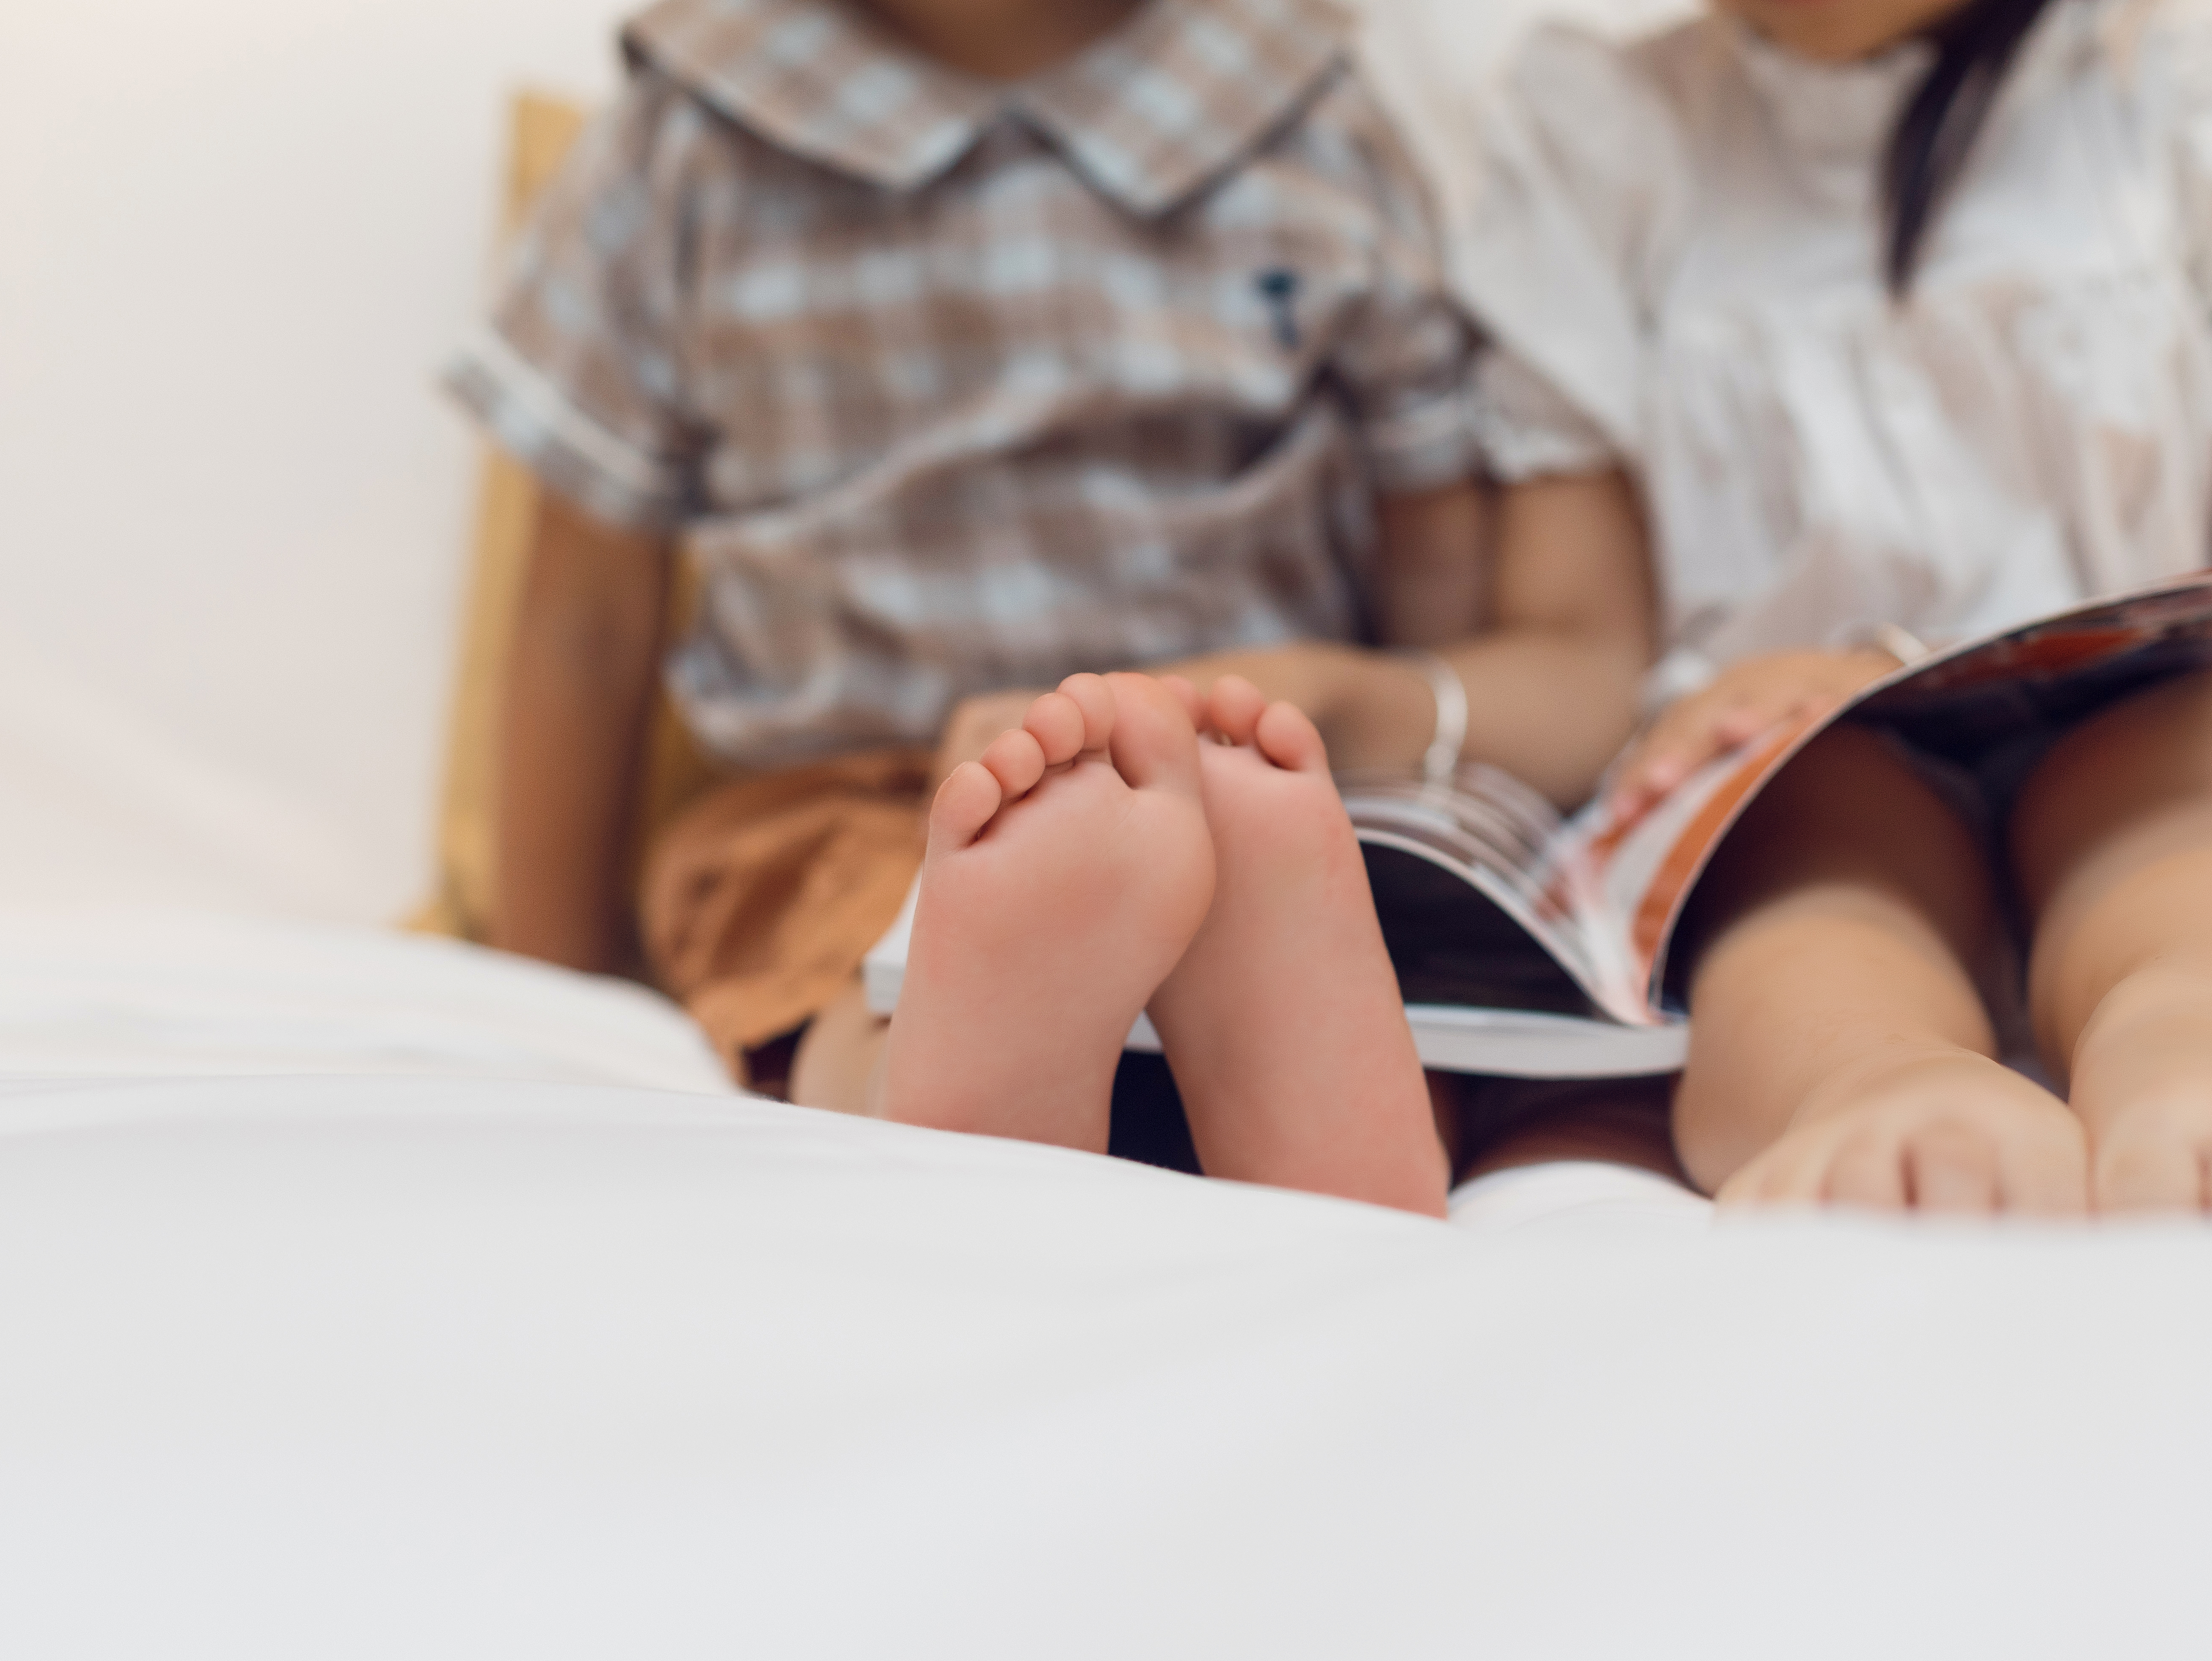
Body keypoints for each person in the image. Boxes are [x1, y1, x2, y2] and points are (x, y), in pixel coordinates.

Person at [447, 0, 1654, 1214]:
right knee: (882, 959)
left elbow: (1434, 577)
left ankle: (980, 1074)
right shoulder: (688, 134)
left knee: (1268, 934)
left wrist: (1391, 769)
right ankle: (1164, 1079)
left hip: (1241, 779)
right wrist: (547, 997)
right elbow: (586, 625)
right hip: (884, 787)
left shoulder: (1307, 113)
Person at [1447, 0, 2212, 1213]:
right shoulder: (1605, 133)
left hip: (2165, 727)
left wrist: (1894, 662)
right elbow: (1584, 650)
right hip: (1797, 768)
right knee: (1807, 832)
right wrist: (1367, 700)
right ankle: (1868, 1080)